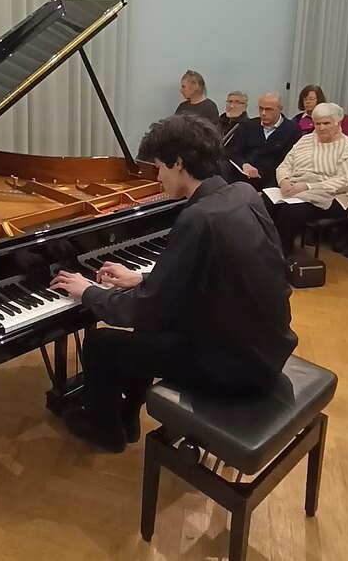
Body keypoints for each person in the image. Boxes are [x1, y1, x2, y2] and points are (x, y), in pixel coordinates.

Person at [50, 115, 298, 453]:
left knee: (100, 344)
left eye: (158, 167)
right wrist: (141, 278)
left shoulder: (198, 218)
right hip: (266, 348)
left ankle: (103, 428)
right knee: (150, 327)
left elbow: (142, 308)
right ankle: (126, 415)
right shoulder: (243, 194)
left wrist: (87, 292)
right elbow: (207, 274)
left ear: (178, 163)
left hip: (233, 370)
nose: (157, 177)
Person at [263, 102, 348, 258]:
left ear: (338, 123)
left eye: (326, 123)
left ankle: (280, 254)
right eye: (317, 124)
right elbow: (284, 165)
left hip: (335, 196)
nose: (321, 128)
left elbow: (346, 181)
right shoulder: (305, 140)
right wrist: (284, 181)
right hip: (296, 188)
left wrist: (307, 186)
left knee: (290, 210)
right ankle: (263, 248)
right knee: (264, 202)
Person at [223, 93, 301, 190]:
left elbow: (289, 161)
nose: (263, 113)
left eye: (269, 109)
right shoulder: (249, 125)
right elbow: (234, 152)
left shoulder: (292, 130)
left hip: (272, 180)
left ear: (280, 109)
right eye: (261, 108)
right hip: (243, 175)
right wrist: (244, 164)